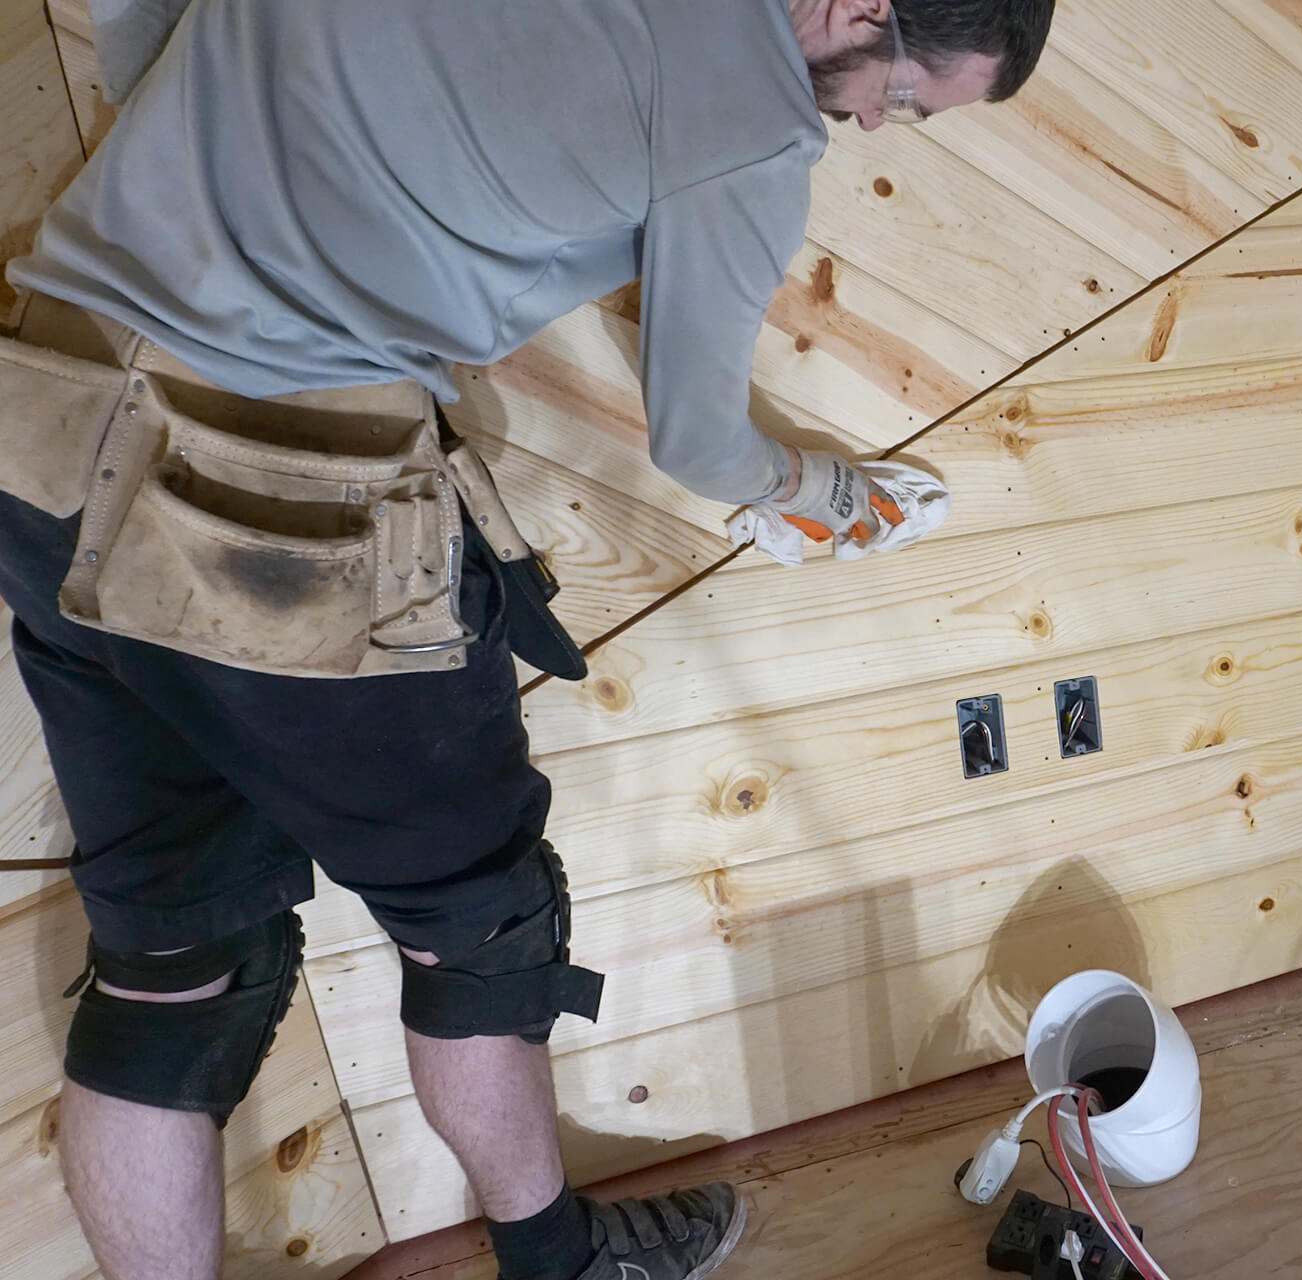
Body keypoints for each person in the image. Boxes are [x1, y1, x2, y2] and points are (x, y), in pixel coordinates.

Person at [0, 0, 1053, 1276]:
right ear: (857, 9)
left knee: (168, 968)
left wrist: (193, 160)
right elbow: (702, 441)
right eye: (901, 93)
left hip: (46, 423)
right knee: (481, 934)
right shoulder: (755, 126)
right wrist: (840, 498)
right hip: (274, 514)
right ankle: (559, 1262)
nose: (875, 124)